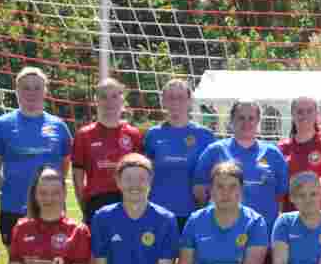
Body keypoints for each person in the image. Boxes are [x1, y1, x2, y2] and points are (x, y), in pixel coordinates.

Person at [0, 67, 72, 246]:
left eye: (37, 88)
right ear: (17, 91)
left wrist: (51, 192)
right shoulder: (2, 125)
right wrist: (10, 191)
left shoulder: (59, 126)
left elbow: (63, 168)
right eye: (26, 88)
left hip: (51, 208)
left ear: (45, 91)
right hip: (13, 209)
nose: (31, 93)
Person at [194, 99, 288, 236]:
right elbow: (199, 190)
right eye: (241, 118)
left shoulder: (273, 153)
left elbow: (281, 195)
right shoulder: (215, 150)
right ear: (232, 121)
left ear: (258, 121)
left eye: (251, 118)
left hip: (264, 232)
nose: (246, 123)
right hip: (223, 232)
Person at [143, 77, 215, 231]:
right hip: (158, 212)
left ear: (189, 101)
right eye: (170, 98)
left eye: (180, 97)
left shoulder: (205, 136)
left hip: (194, 213)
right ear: (163, 101)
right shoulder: (153, 135)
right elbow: (145, 174)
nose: (175, 102)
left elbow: (214, 175)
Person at [72, 78, 145, 223]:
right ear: (96, 101)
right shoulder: (84, 135)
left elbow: (142, 175)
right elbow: (77, 178)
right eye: (103, 97)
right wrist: (85, 207)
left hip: (127, 201)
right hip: (96, 203)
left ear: (121, 100)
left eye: (114, 96)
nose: (109, 102)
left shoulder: (134, 135)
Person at [278, 94, 321, 210]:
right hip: (292, 215)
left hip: (320, 215)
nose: (304, 115)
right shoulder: (281, 148)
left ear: (317, 114)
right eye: (300, 111)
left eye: (309, 111)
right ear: (292, 114)